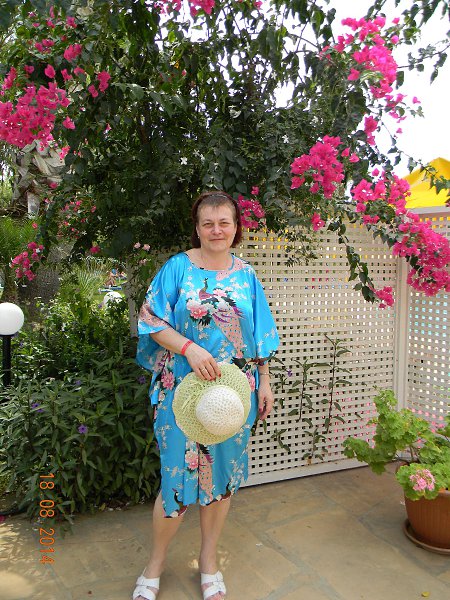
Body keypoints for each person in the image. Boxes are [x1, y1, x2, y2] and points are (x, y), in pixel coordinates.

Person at [134, 190, 279, 600]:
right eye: (208, 223)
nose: (217, 230)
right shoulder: (177, 269)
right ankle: (154, 565)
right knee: (176, 481)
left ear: (236, 228)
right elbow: (151, 321)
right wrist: (189, 349)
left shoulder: (247, 275)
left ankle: (209, 562)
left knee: (222, 479)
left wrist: (264, 381)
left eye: (224, 223)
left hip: (233, 397)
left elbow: (260, 336)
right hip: (180, 391)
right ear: (197, 228)